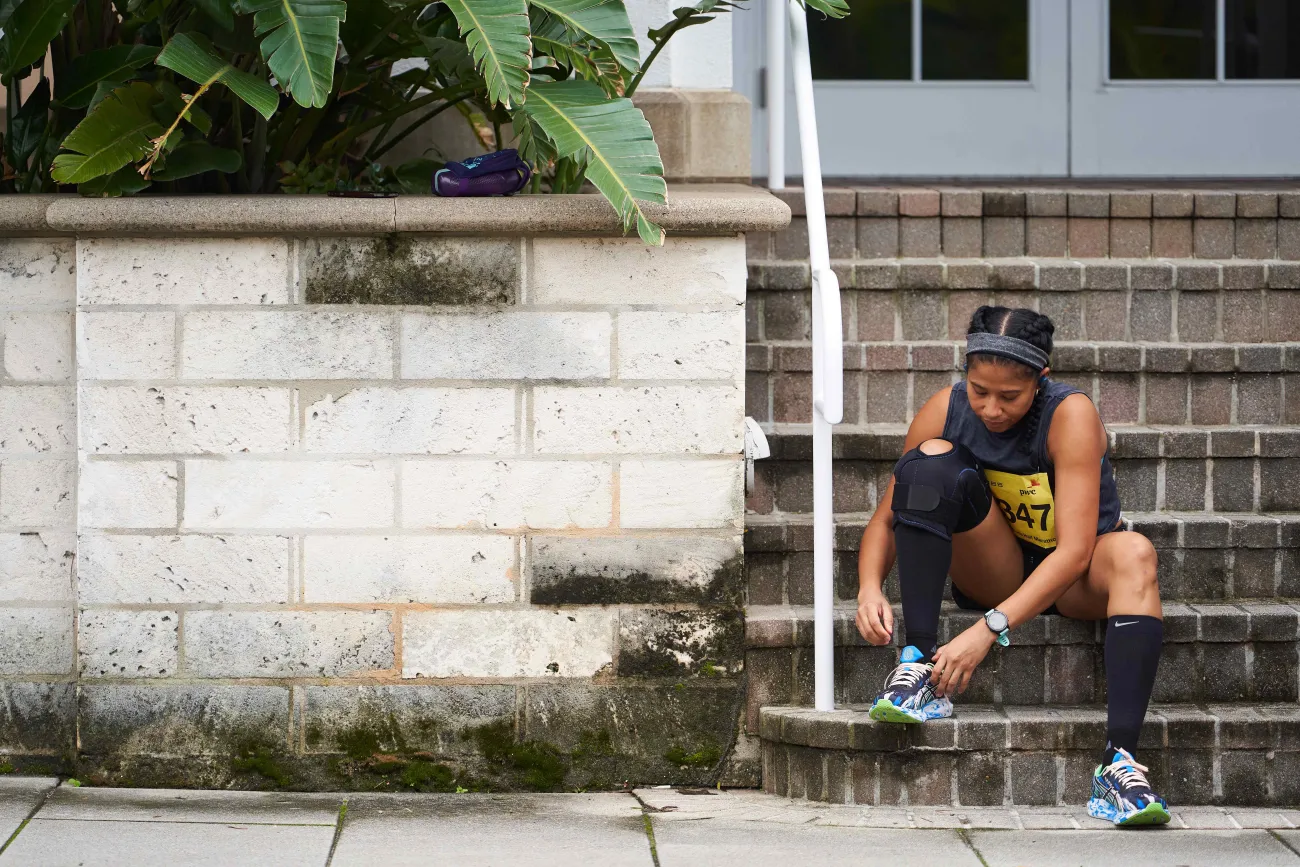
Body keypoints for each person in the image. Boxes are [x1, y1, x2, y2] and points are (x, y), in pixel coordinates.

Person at [854, 305, 1169, 827]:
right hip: (996, 569)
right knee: (928, 462)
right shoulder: (946, 408)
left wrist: (987, 630)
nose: (992, 408)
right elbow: (886, 519)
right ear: (966, 374)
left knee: (1136, 551)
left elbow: (1074, 553)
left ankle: (1118, 765)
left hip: (1075, 576)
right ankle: (919, 664)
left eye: (1009, 396)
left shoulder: (1069, 414)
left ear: (1040, 378)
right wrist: (870, 587)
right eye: (980, 391)